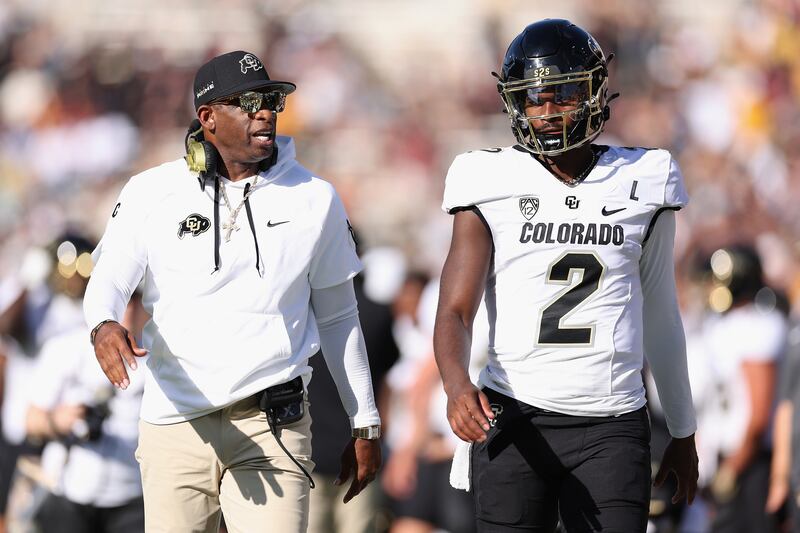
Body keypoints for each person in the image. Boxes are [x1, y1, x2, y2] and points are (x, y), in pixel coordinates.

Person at [83, 50, 381, 533]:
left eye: (270, 100)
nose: (265, 111)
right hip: (175, 420)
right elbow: (109, 282)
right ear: (208, 117)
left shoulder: (315, 198)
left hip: (273, 423)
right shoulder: (150, 191)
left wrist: (364, 421)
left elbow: (338, 317)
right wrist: (102, 324)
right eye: (247, 102)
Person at [433, 19, 698, 532]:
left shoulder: (646, 176)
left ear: (595, 91)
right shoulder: (486, 178)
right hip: (513, 413)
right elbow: (455, 309)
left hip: (613, 420)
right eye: (534, 98)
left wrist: (683, 430)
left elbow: (661, 311)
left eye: (564, 95)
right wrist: (455, 383)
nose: (548, 112)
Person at [26, 291, 148, 533]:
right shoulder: (66, 347)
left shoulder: (158, 358)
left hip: (131, 498)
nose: (131, 308)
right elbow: (31, 420)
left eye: (138, 299)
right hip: (69, 493)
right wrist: (58, 421)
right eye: (125, 300)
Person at [698, 246, 787, 532]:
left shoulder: (760, 325)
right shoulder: (722, 324)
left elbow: (759, 412)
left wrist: (734, 466)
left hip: (750, 461)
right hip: (726, 456)